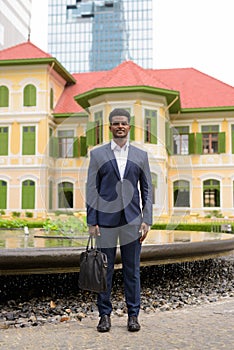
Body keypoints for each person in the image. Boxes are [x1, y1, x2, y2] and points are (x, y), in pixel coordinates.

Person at [86, 108, 152, 332]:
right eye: (116, 123)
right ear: (110, 127)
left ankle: (133, 315)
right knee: (103, 271)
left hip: (133, 222)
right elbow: (91, 189)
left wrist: (147, 219)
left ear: (129, 127)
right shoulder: (97, 154)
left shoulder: (141, 155)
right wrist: (91, 220)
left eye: (124, 123)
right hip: (104, 221)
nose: (120, 126)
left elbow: (147, 190)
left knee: (132, 271)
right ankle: (104, 315)